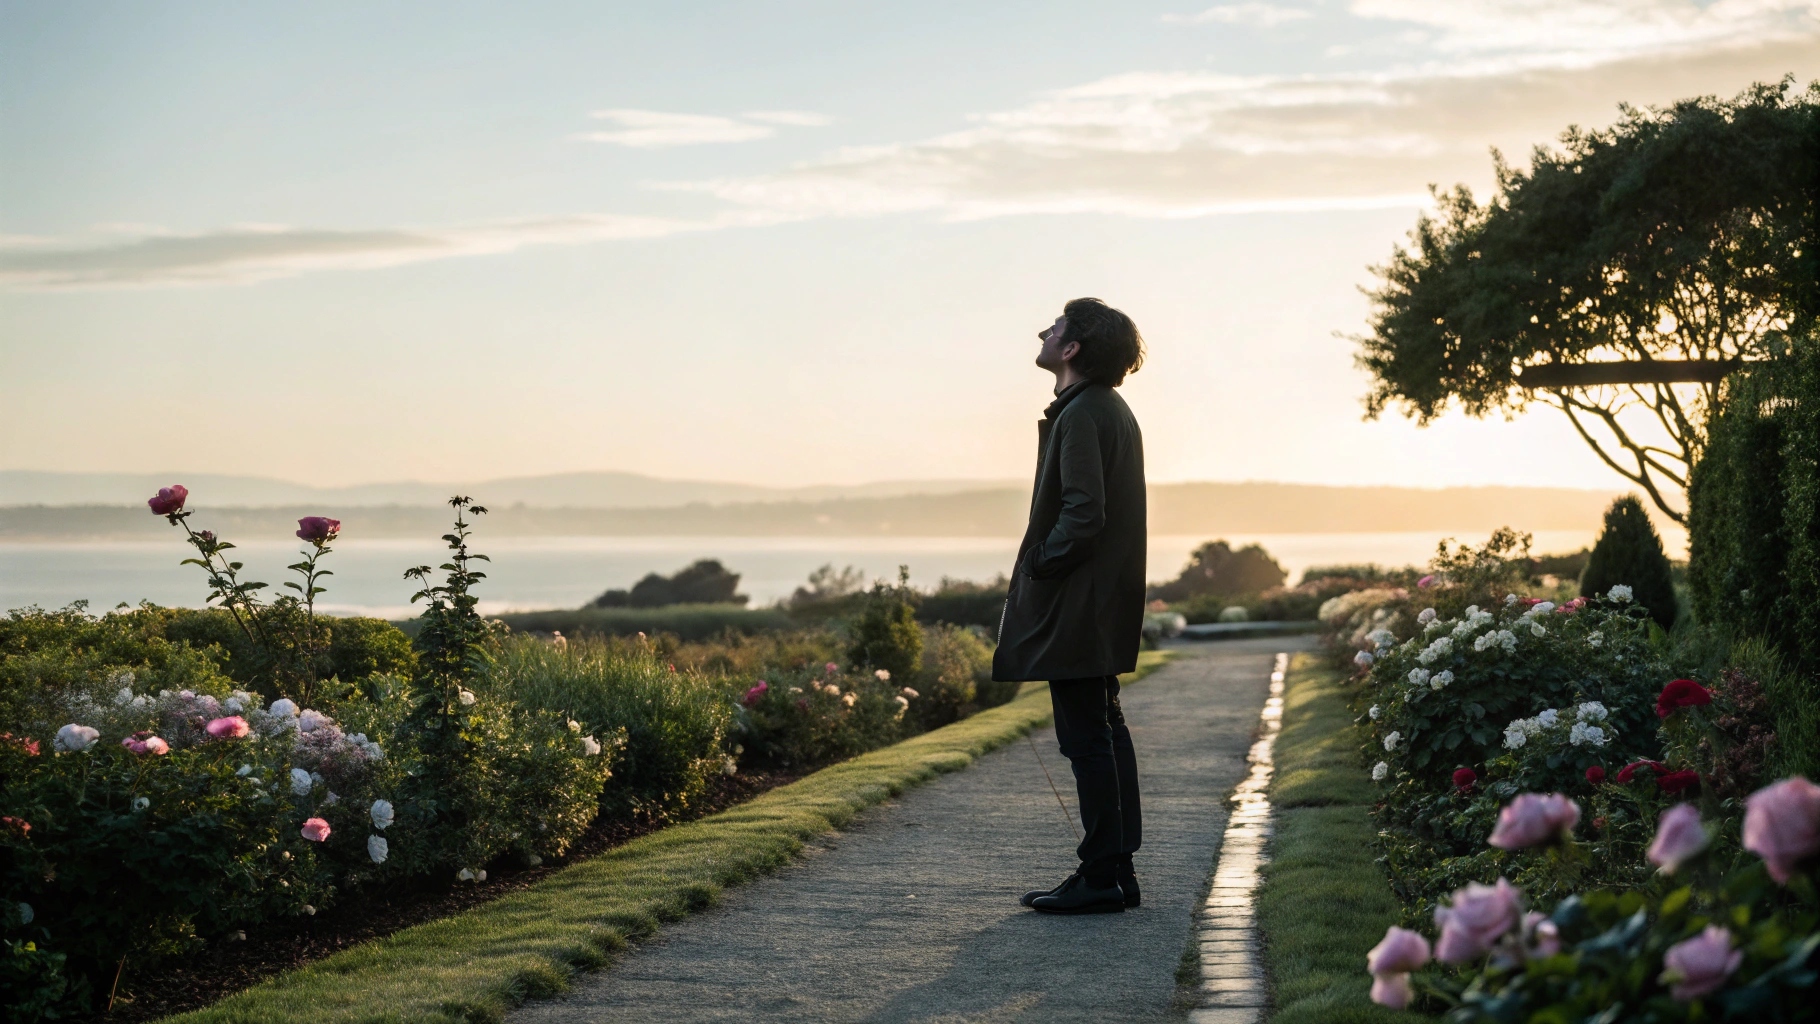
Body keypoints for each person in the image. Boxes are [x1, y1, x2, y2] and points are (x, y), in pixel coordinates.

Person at [993, 297, 1147, 915]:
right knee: (1104, 729)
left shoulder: (1084, 413)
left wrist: (1038, 563)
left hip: (1078, 601)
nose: (1043, 332)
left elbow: (1084, 514)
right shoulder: (1104, 409)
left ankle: (1102, 874)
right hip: (1096, 598)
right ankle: (1114, 870)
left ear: (1073, 348)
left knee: (1086, 737)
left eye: (1054, 327)